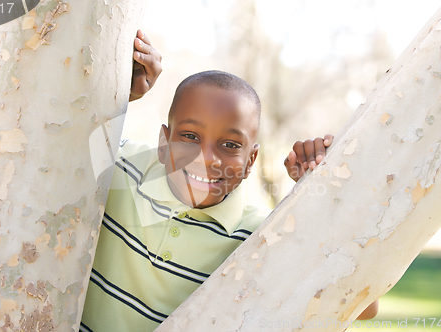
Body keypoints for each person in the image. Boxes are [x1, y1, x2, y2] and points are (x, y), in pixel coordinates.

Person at [80, 30, 378, 332]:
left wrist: (321, 198)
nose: (208, 158)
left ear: (251, 162)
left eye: (231, 145)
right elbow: (57, 145)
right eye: (190, 136)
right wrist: (123, 92)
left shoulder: (257, 235)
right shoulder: (121, 165)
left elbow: (364, 305)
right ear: (163, 143)